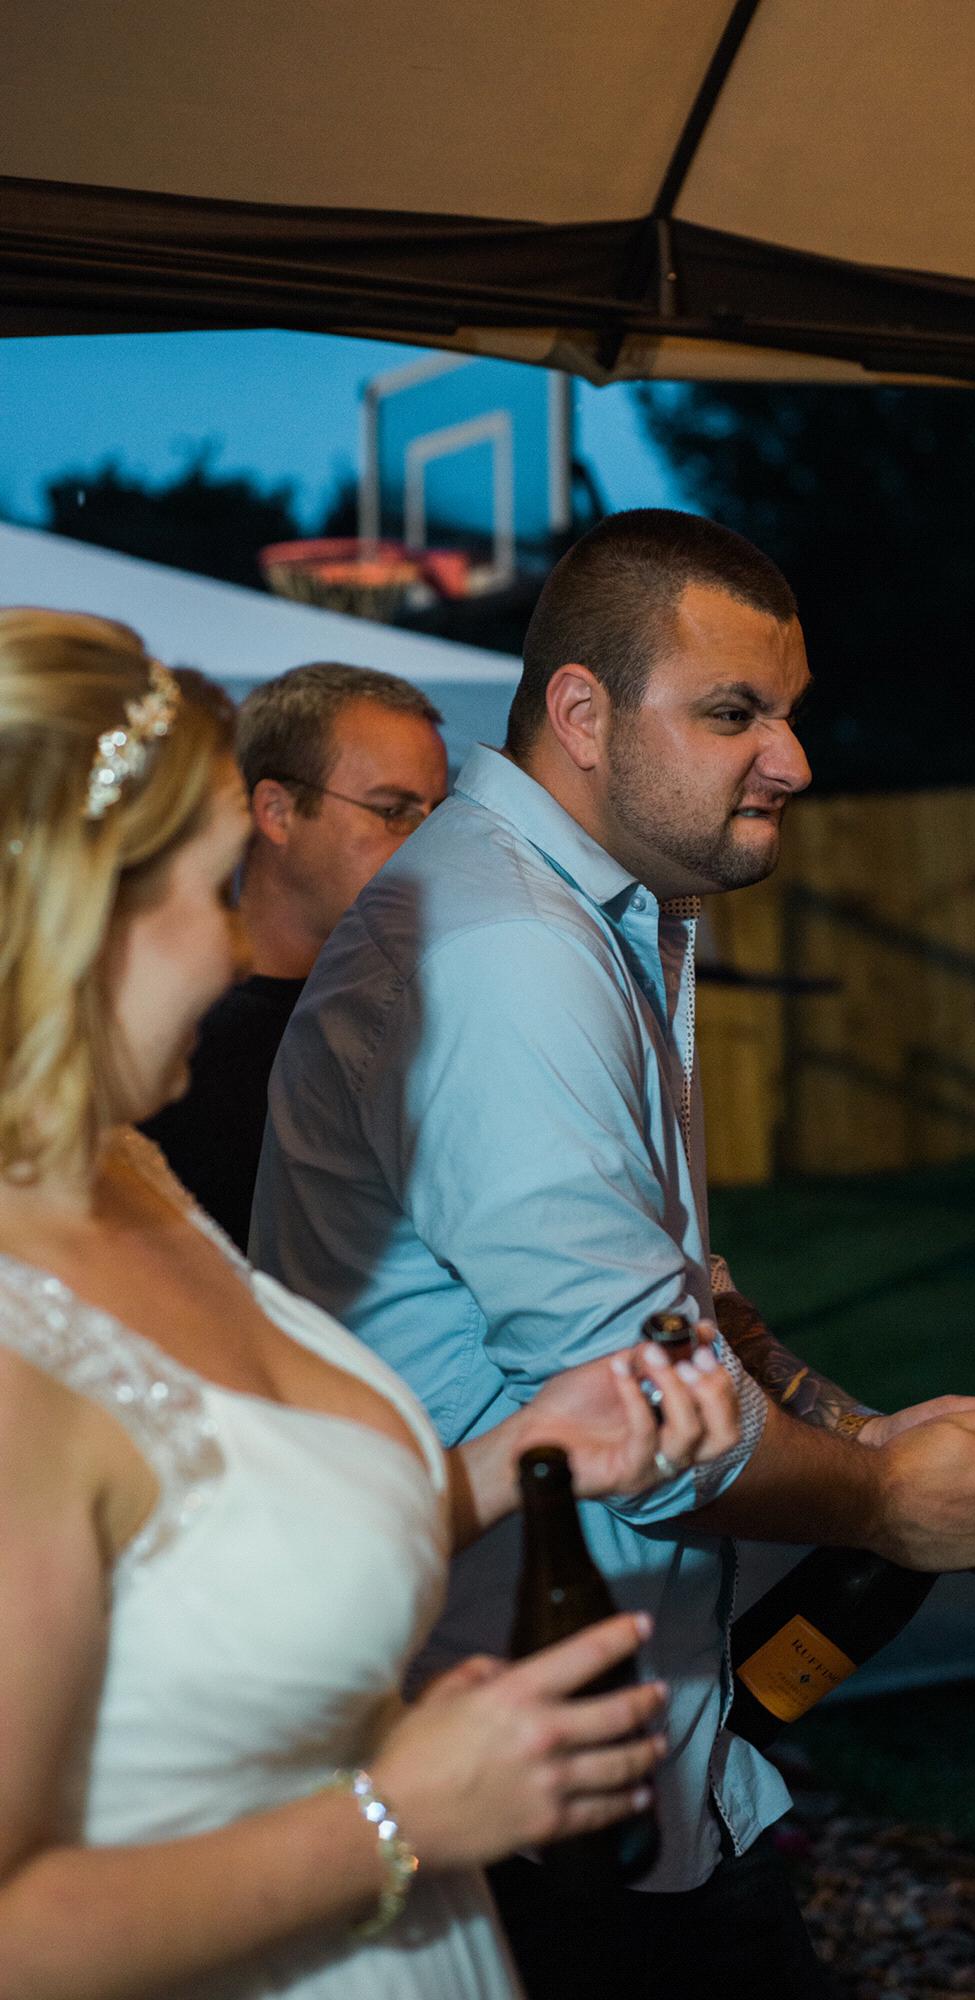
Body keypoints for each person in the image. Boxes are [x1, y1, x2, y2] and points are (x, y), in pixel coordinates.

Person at [253, 511, 975, 2000]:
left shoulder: (577, 912)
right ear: (581, 712)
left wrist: (857, 1433)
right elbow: (640, 1408)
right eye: (733, 713)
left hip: (610, 1741)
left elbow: (685, 1300)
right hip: (512, 1769)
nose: (791, 760)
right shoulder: (503, 946)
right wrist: (884, 1501)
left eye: (788, 713)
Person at [0, 606, 742, 1999]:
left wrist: (526, 1456)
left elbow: (231, 1538)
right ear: (69, 917)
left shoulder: (128, 1176)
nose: (236, 945)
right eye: (211, 890)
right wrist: (399, 1817)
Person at [142, 661, 449, 1247]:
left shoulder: (422, 1011)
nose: (432, 845)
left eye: (440, 813)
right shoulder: (170, 1038)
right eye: (394, 811)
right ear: (276, 813)